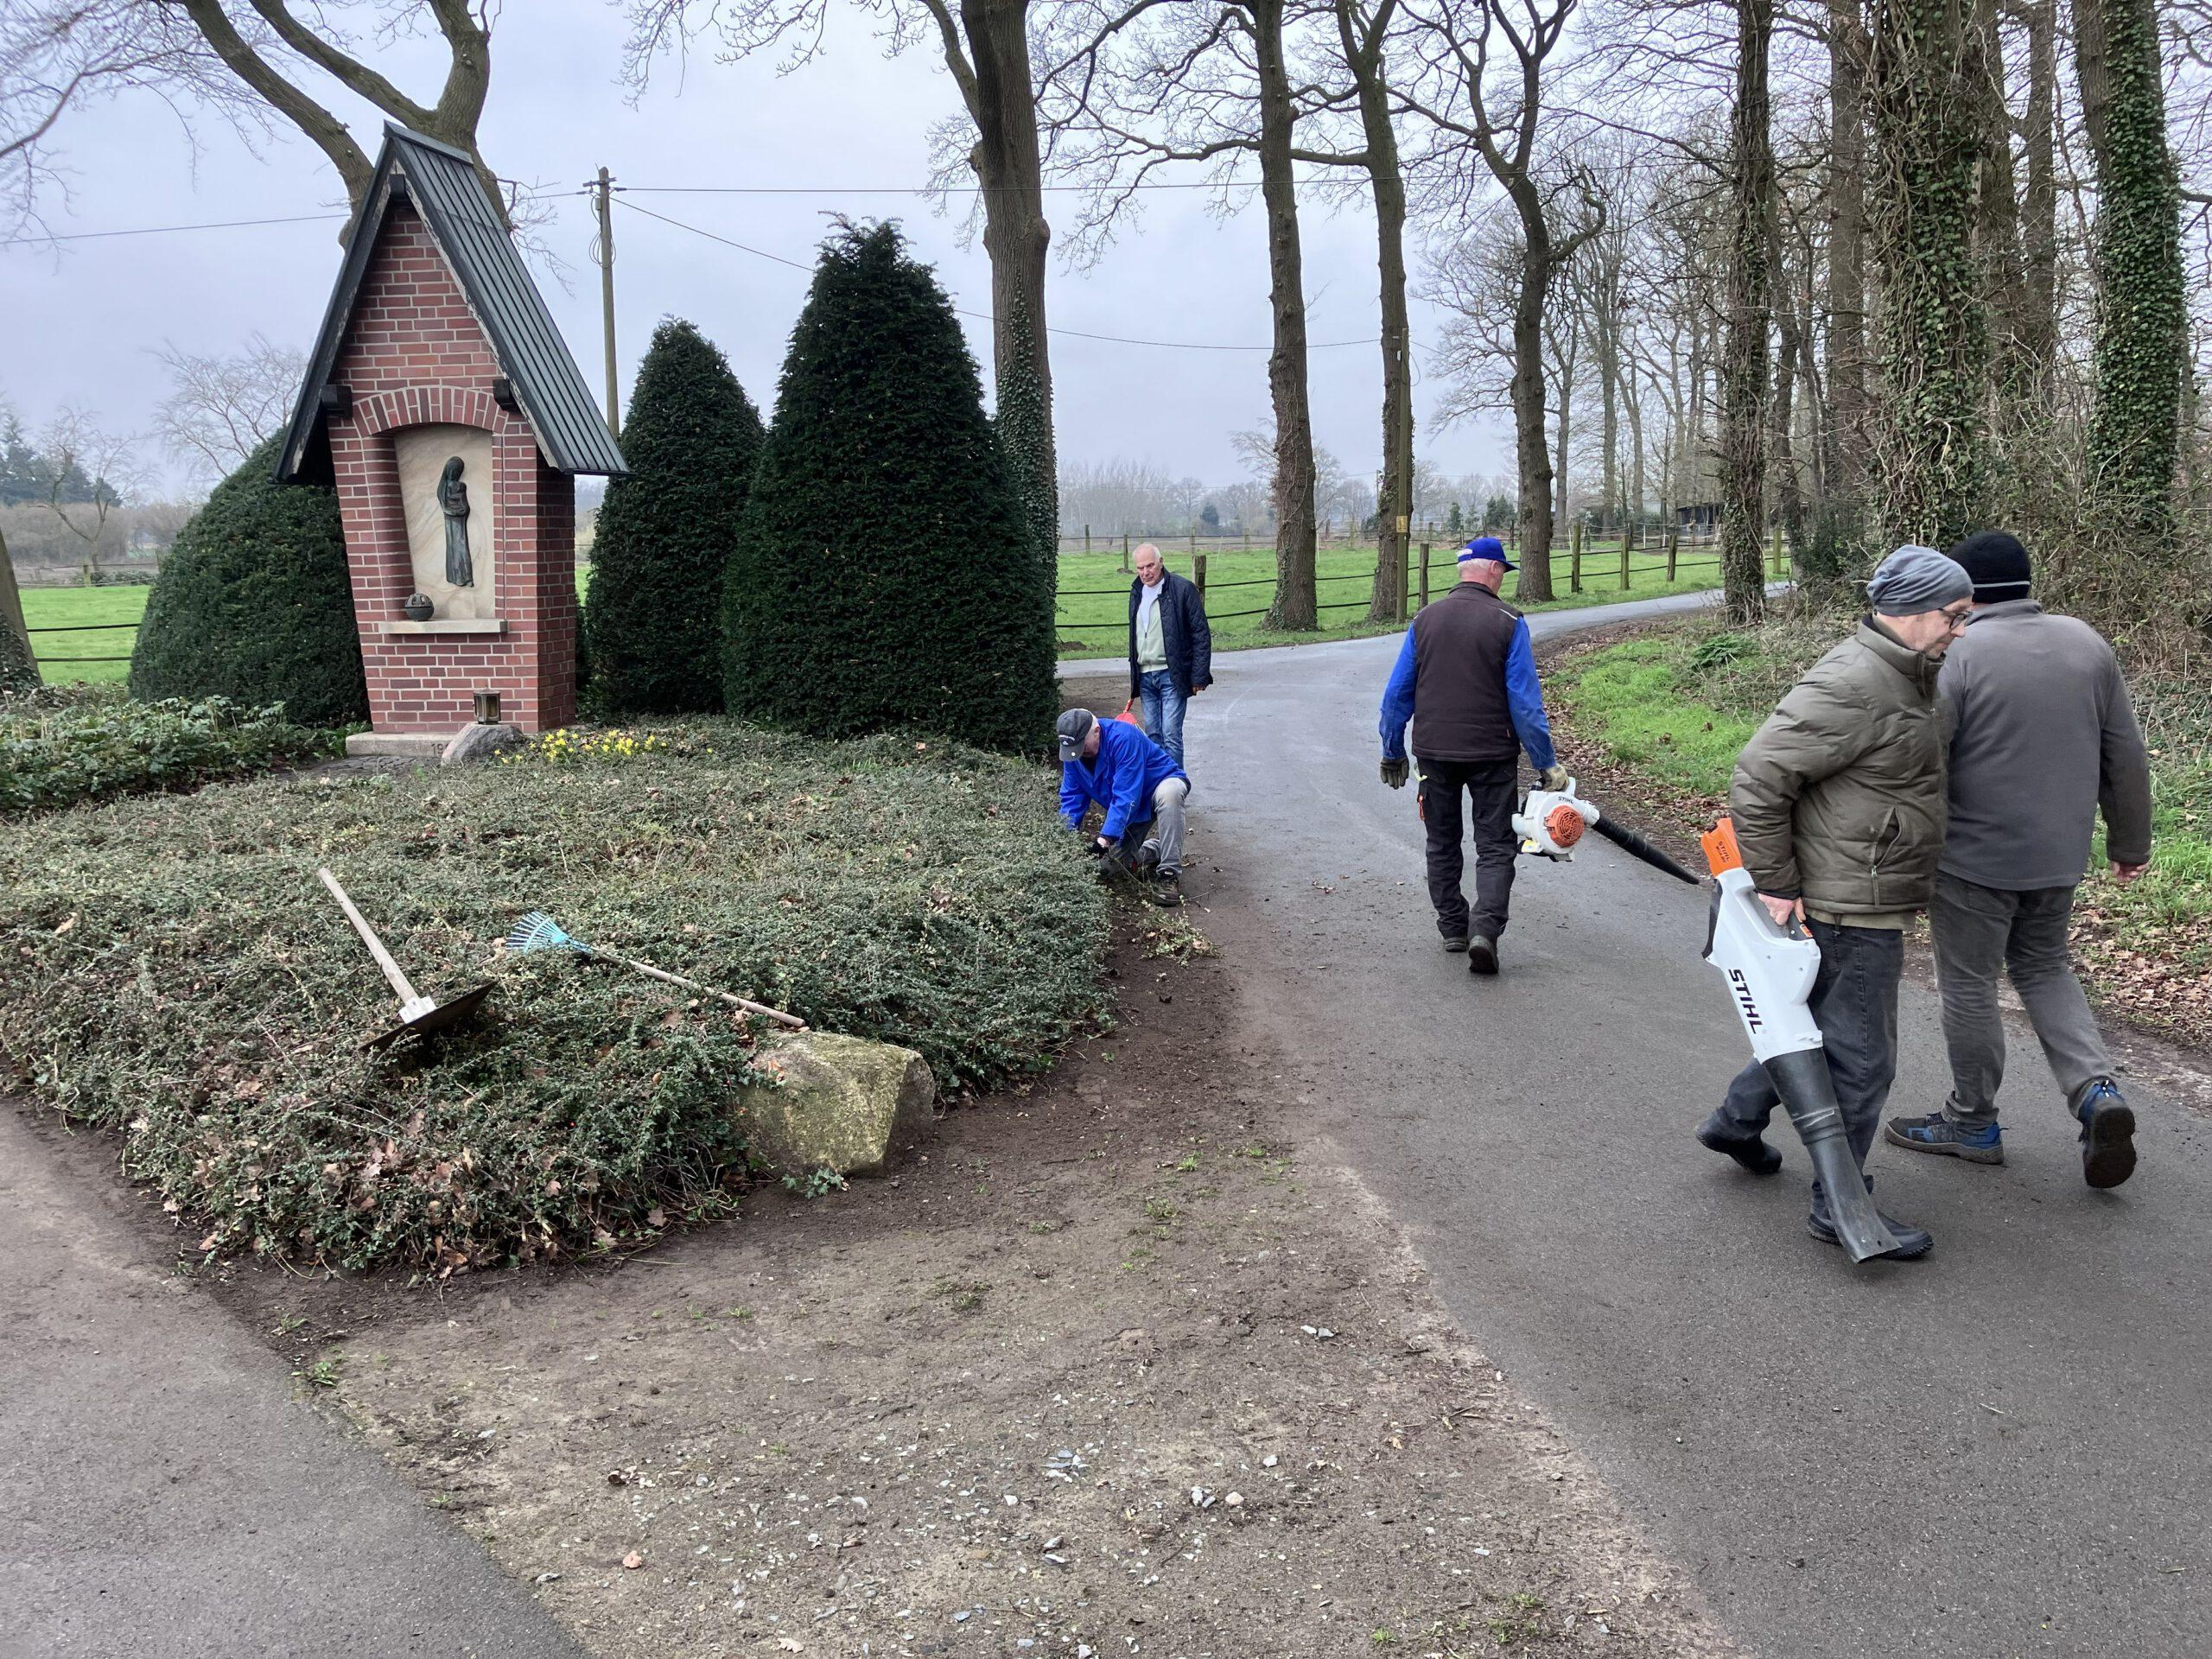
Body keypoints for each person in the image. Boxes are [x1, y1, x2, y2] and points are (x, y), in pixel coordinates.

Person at [1694, 544, 1977, 1259]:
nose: (1961, 630)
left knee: (1817, 1030)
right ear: (1910, 612)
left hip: (1866, 885)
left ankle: (1736, 1121)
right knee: (1862, 1058)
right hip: (1850, 900)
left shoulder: (1909, 674)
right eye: (1954, 616)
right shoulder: (1856, 682)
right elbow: (1759, 777)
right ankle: (1835, 1206)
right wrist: (1779, 883)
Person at [1883, 531, 2154, 1189]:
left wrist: (1902, 856)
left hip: (1973, 859)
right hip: (2058, 855)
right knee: (2045, 968)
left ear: (1963, 596)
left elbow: (1926, 766)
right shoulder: (2087, 644)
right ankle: (2094, 1092)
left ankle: (1972, 1122)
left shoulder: (1960, 654)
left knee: (1970, 983)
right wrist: (2129, 844)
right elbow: (2126, 754)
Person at [1376, 535, 1566, 976]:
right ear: (1494, 571)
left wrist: (1392, 751)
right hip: (1492, 754)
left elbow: (1396, 695)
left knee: (1442, 841)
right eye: (1504, 572)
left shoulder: (1424, 620)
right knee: (1496, 845)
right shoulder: (1508, 620)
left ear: (1464, 571)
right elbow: (1524, 704)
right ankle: (1485, 930)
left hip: (1434, 753)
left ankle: (1453, 928)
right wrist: (1546, 762)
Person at [1057, 706, 1192, 908]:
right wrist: (1063, 842)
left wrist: (1104, 839)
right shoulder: (1073, 755)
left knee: (1170, 794)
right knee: (1108, 868)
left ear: (1096, 731)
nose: (1077, 753)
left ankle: (1169, 874)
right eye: (1072, 748)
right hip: (1130, 809)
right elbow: (1071, 798)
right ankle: (1157, 849)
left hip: (1156, 787)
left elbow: (1126, 794)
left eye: (1081, 745)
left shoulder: (1123, 737)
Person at [1127, 543, 1212, 768]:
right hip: (1145, 675)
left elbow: (1200, 633)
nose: (1145, 572)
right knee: (1153, 735)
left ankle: (1175, 786)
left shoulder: (1183, 589)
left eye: (1150, 565)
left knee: (1171, 733)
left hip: (1172, 674)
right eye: (1140, 567)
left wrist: (1199, 675)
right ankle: (1158, 786)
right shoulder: (1136, 592)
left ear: (1161, 562)